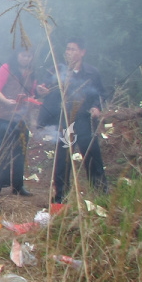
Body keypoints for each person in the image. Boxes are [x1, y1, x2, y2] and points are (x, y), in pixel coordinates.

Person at [47, 39, 108, 203]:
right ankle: (61, 196)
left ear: (82, 52)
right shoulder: (60, 72)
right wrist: (44, 91)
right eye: (67, 49)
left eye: (73, 49)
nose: (69, 52)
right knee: (63, 159)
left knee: (92, 156)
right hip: (67, 122)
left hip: (86, 121)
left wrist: (97, 107)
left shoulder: (92, 73)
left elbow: (100, 94)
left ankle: (100, 194)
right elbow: (50, 93)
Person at [0, 49, 36, 196]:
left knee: (20, 152)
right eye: (23, 55)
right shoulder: (6, 68)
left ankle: (18, 186)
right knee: (2, 150)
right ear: (17, 55)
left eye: (29, 56)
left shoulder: (31, 72)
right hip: (4, 116)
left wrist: (31, 101)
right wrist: (6, 101)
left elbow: (33, 93)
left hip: (22, 118)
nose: (26, 58)